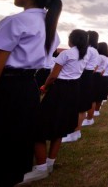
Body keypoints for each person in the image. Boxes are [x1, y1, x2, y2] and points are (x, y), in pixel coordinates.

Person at [0, 0, 62, 187]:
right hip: (27, 88)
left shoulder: (16, 22)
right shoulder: (51, 30)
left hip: (7, 87)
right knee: (18, 140)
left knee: (2, 138)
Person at [22, 29, 89, 183]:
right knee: (60, 127)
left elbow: (53, 76)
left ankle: (41, 167)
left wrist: (44, 87)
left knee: (38, 127)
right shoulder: (83, 55)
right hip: (74, 91)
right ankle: (50, 163)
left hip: (60, 89)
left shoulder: (66, 54)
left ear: (72, 40)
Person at [63, 30, 100, 142]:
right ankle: (76, 131)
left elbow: (80, 63)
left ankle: (75, 132)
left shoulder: (88, 50)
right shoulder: (95, 51)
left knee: (79, 106)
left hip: (83, 76)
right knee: (82, 105)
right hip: (88, 76)